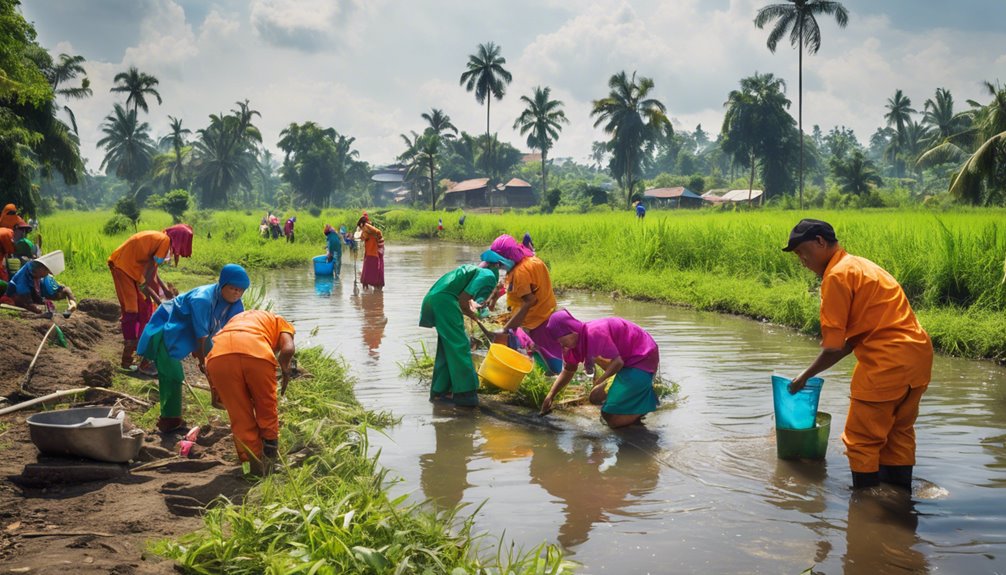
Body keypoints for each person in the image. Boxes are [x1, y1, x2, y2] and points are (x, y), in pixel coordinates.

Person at [783, 219, 932, 491]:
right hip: (917, 360)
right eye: (798, 257)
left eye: (804, 252)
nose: (803, 261)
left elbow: (834, 346)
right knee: (897, 435)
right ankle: (900, 501)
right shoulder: (863, 266)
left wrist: (804, 376)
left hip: (886, 364)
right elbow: (852, 340)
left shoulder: (836, 276)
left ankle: (867, 510)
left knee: (860, 440)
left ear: (820, 242)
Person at [137, 264, 249, 433]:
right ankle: (169, 420)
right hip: (170, 326)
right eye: (232, 288)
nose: (236, 293)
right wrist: (205, 363)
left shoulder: (236, 305)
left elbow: (230, 334)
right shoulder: (202, 300)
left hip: (191, 330)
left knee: (218, 364)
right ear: (222, 284)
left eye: (240, 290)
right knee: (172, 374)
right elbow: (201, 338)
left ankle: (221, 401)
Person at [205, 309, 296, 476]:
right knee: (266, 407)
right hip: (257, 353)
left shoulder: (236, 321)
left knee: (239, 415)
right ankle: (269, 458)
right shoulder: (280, 321)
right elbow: (288, 348)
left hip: (218, 357)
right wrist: (285, 368)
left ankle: (252, 463)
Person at [540, 309, 660, 428]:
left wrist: (599, 381)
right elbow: (568, 370)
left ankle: (644, 404)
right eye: (558, 342)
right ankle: (635, 397)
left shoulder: (594, 333)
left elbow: (618, 362)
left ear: (572, 331)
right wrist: (550, 395)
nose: (561, 345)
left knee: (610, 418)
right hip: (626, 363)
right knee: (595, 397)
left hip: (643, 356)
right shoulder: (572, 346)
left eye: (562, 340)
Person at [419, 263, 501, 407]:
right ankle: (466, 394)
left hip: (434, 299)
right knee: (460, 346)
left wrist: (470, 311)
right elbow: (463, 300)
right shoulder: (488, 276)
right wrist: (472, 313)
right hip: (445, 301)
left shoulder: (470, 271)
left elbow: (463, 299)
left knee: (447, 348)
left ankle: (441, 391)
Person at [480, 234, 562, 374]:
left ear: (507, 258)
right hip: (547, 312)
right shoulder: (530, 261)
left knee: (549, 359)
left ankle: (551, 378)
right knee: (548, 350)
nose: (498, 266)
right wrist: (492, 298)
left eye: (499, 263)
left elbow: (530, 301)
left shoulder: (520, 273)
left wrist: (506, 327)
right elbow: (509, 286)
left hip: (536, 320)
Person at [108, 230, 174, 372]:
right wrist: (160, 302)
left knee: (139, 309)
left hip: (130, 268)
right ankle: (126, 360)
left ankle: (133, 355)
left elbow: (152, 270)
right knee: (131, 311)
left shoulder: (157, 240)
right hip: (124, 267)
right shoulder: (165, 241)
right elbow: (152, 268)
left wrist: (162, 290)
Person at [4, 250, 76, 316]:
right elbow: (26, 299)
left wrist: (44, 301)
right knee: (26, 303)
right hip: (15, 295)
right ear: (41, 269)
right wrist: (40, 311)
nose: (46, 275)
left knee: (61, 292)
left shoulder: (36, 275)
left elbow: (37, 294)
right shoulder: (24, 277)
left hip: (27, 294)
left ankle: (72, 303)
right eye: (46, 272)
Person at [357, 214, 384, 289]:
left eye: (360, 227)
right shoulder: (367, 228)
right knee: (370, 266)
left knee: (371, 266)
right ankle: (373, 284)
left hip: (374, 251)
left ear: (361, 224)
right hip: (372, 250)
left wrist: (377, 240)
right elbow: (363, 237)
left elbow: (377, 232)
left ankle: (373, 283)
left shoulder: (366, 227)